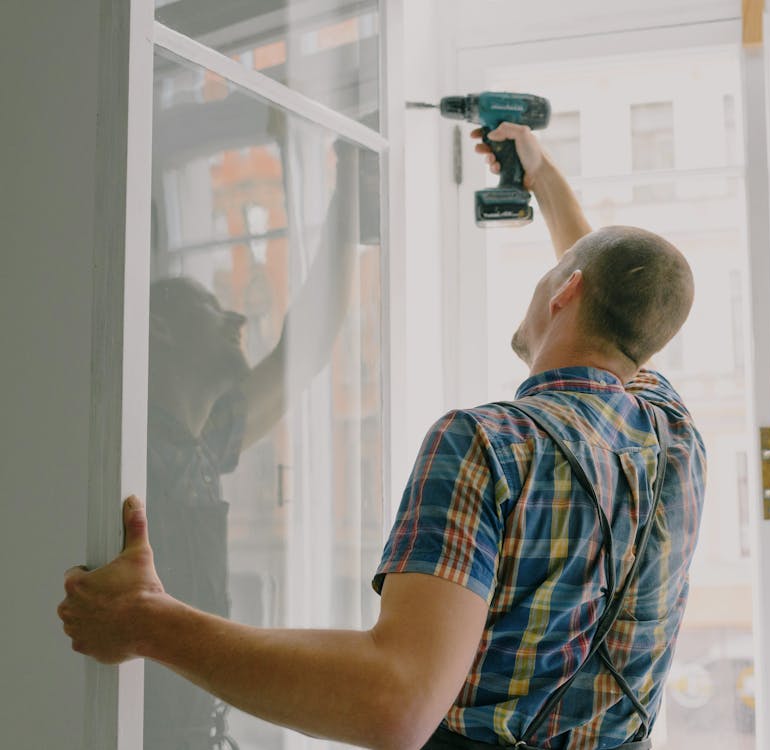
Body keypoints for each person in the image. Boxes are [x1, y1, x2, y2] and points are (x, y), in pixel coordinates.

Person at [59, 122, 706, 750]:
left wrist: (145, 621)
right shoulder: (673, 436)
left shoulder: (488, 445)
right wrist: (539, 177)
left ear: (565, 293)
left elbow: (394, 703)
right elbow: (624, 307)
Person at [142, 132, 360, 749]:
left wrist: (347, 190)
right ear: (158, 331)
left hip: (192, 728)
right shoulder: (125, 450)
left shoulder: (204, 442)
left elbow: (307, 346)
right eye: (212, 309)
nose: (237, 319)